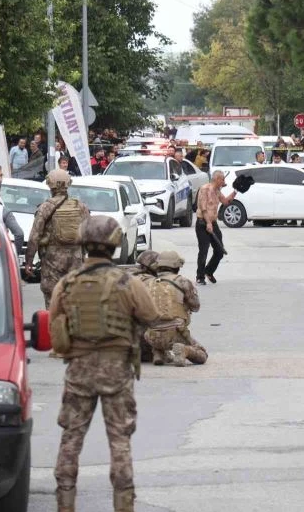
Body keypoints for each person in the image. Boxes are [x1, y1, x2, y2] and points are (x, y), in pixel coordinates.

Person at [49, 215, 162, 512]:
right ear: (114, 244)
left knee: (71, 439)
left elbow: (54, 324)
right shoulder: (128, 282)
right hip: (117, 370)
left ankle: (65, 504)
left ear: (84, 244)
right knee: (120, 441)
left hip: (79, 371)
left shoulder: (68, 283)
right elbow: (152, 316)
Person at [25, 169, 90, 308]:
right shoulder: (80, 206)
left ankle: (54, 327)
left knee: (52, 299)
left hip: (52, 262)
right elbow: (89, 232)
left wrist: (29, 261)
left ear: (50, 185)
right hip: (76, 260)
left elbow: (34, 236)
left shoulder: (45, 208)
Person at [143, 251, 206, 366]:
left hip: (151, 335)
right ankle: (184, 350)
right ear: (177, 266)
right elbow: (195, 306)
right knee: (202, 355)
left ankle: (158, 352)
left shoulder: (148, 283)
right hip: (175, 333)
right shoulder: (182, 282)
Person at [195, 171, 236, 285]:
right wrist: (208, 223)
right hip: (203, 223)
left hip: (213, 223)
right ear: (217, 179)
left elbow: (226, 202)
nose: (224, 182)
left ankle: (209, 271)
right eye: (222, 179)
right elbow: (203, 208)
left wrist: (236, 191)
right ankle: (200, 276)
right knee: (204, 250)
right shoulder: (205, 189)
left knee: (219, 251)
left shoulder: (218, 191)